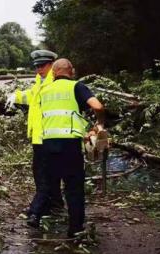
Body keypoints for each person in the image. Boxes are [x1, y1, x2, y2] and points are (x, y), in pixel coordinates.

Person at [27, 58, 105, 239]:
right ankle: (75, 229)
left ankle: (36, 215)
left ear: (53, 73)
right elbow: (97, 106)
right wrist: (99, 124)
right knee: (74, 187)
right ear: (72, 71)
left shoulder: (45, 91)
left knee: (48, 183)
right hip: (69, 145)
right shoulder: (76, 86)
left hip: (47, 145)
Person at [6, 49, 65, 213]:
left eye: (42, 65)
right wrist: (15, 96)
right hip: (38, 136)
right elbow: (32, 95)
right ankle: (55, 204)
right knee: (44, 172)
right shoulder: (41, 80)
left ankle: (40, 208)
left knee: (43, 174)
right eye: (36, 66)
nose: (39, 69)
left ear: (52, 64)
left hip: (50, 135)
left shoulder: (55, 82)